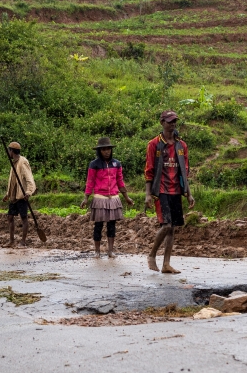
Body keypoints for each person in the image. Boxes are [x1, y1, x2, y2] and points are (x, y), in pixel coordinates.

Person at [145, 110, 195, 274]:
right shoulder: (154, 144)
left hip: (176, 190)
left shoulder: (182, 145)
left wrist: (188, 193)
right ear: (162, 123)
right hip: (161, 190)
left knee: (172, 228)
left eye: (174, 121)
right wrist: (147, 194)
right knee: (166, 225)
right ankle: (152, 255)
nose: (172, 124)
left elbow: (185, 171)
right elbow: (149, 170)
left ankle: (166, 264)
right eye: (169, 121)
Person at [81, 137, 134, 258]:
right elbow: (90, 182)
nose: (106, 151)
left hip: (113, 198)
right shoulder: (94, 164)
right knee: (98, 225)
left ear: (111, 150)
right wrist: (86, 197)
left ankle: (110, 251)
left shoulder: (116, 164)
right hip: (100, 198)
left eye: (108, 149)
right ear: (99, 151)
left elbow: (120, 182)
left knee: (111, 225)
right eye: (104, 149)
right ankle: (97, 251)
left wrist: (127, 197)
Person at [2, 141, 36, 249]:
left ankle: (23, 242)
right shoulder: (13, 163)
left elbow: (29, 178)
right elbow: (12, 181)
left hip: (22, 195)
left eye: (9, 151)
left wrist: (29, 192)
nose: (8, 153)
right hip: (14, 196)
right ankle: (11, 240)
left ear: (12, 151)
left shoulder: (23, 162)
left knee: (24, 218)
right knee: (10, 217)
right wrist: (8, 194)